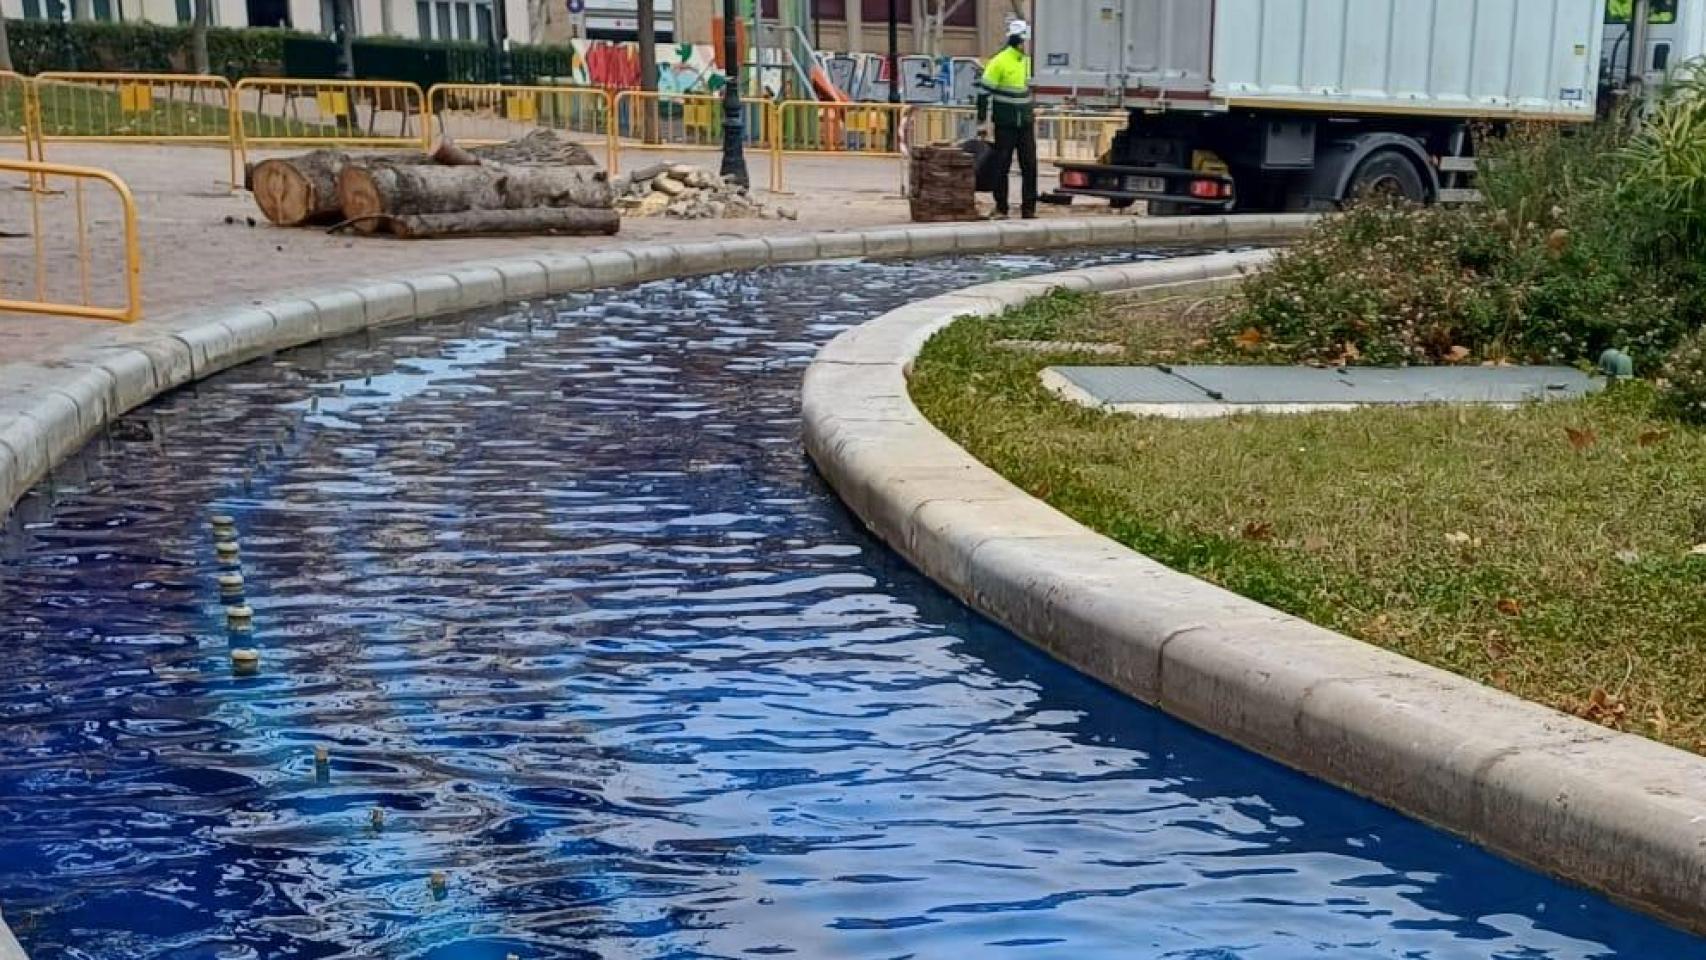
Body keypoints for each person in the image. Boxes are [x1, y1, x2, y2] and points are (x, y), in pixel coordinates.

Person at [976, 19, 1037, 220]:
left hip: (1024, 123)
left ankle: (1028, 209)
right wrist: (982, 121)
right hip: (1006, 123)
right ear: (1019, 40)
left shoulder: (1027, 62)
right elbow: (983, 92)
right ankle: (1002, 207)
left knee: (1029, 166)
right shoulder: (1000, 61)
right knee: (1002, 166)